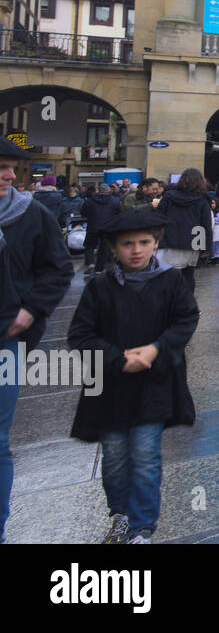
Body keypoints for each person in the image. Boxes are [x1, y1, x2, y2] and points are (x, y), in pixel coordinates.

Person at [67, 209, 199, 544]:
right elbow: (81, 335)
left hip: (154, 385)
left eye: (144, 242)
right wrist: (117, 357)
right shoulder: (99, 287)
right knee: (113, 457)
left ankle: (142, 526)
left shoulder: (171, 281)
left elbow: (185, 321)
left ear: (156, 243)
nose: (136, 250)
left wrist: (156, 349)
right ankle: (120, 515)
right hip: (111, 387)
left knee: (144, 456)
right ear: (114, 248)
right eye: (127, 244)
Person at [0, 139, 75, 543]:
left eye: (12, 168)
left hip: (5, 342)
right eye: (2, 168)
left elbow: (58, 269)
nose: (10, 176)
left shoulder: (30, 213)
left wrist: (29, 312)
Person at [154, 167, 213, 294]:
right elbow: (205, 226)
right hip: (193, 241)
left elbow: (158, 218)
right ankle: (187, 305)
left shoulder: (169, 196)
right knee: (188, 275)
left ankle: (167, 304)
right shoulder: (202, 200)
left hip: (169, 239)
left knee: (166, 275)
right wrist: (206, 249)